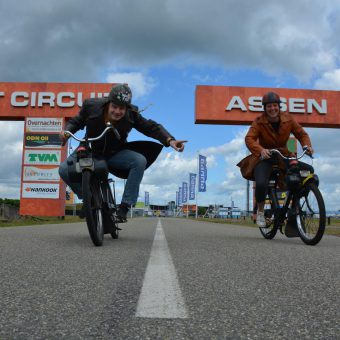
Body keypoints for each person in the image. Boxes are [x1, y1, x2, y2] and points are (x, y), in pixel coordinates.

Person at [59, 83, 187, 222]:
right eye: (114, 107)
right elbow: (77, 121)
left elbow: (151, 127)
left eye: (122, 108)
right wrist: (67, 131)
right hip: (90, 149)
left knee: (139, 161)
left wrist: (170, 140)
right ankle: (88, 199)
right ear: (108, 103)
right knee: (64, 169)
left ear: (127, 108)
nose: (117, 112)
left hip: (114, 153)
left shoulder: (132, 114)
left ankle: (125, 206)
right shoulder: (91, 106)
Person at [237, 91, 314, 227]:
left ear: (279, 106)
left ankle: (296, 204)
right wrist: (261, 150)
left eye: (275, 105)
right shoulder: (259, 122)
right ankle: (260, 211)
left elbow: (301, 134)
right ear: (265, 108)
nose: (272, 108)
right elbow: (249, 138)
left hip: (283, 156)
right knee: (261, 184)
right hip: (265, 157)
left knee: (309, 171)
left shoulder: (288, 119)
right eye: (269, 106)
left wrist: (306, 146)